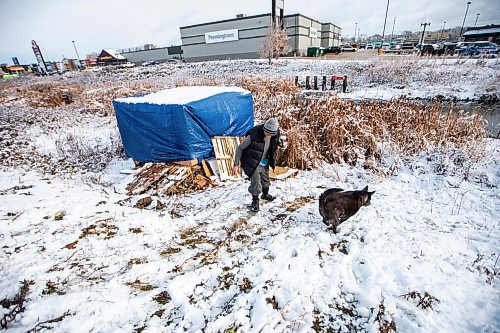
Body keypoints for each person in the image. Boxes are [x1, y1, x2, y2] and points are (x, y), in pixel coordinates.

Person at [232, 118, 280, 212]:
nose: (268, 135)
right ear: (264, 129)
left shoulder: (275, 133)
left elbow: (274, 144)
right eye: (267, 133)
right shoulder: (253, 135)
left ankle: (265, 195)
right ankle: (255, 201)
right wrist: (236, 164)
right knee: (256, 182)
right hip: (252, 161)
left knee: (265, 179)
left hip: (264, 161)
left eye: (271, 134)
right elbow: (240, 148)